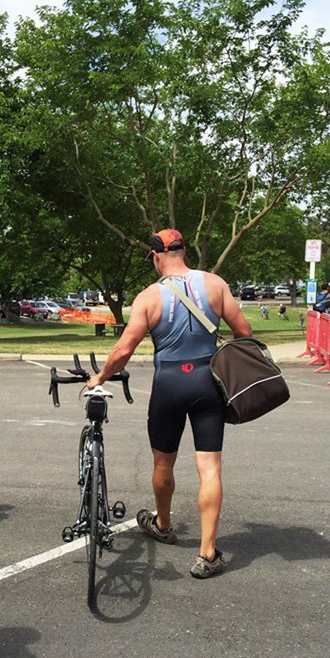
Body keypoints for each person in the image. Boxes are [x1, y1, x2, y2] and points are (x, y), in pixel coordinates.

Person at [87, 228, 252, 578]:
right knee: (210, 467)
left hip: (169, 385)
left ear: (156, 257)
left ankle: (163, 524)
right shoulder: (215, 284)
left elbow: (124, 349)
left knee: (163, 462)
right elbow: (244, 333)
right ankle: (207, 554)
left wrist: (100, 376)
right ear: (184, 251)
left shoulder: (149, 297)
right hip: (208, 382)